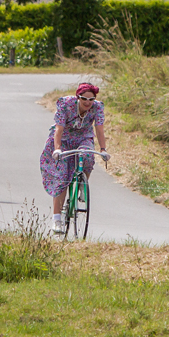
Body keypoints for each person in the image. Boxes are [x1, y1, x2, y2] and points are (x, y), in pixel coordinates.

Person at [39, 83, 109, 233]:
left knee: (88, 156)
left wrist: (103, 149)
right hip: (63, 139)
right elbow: (59, 129)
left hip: (83, 137)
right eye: (84, 99)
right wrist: (57, 148)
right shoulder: (66, 104)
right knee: (62, 176)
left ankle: (82, 184)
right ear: (78, 97)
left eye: (91, 99)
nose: (87, 103)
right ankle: (57, 219)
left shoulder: (97, 107)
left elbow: (99, 129)